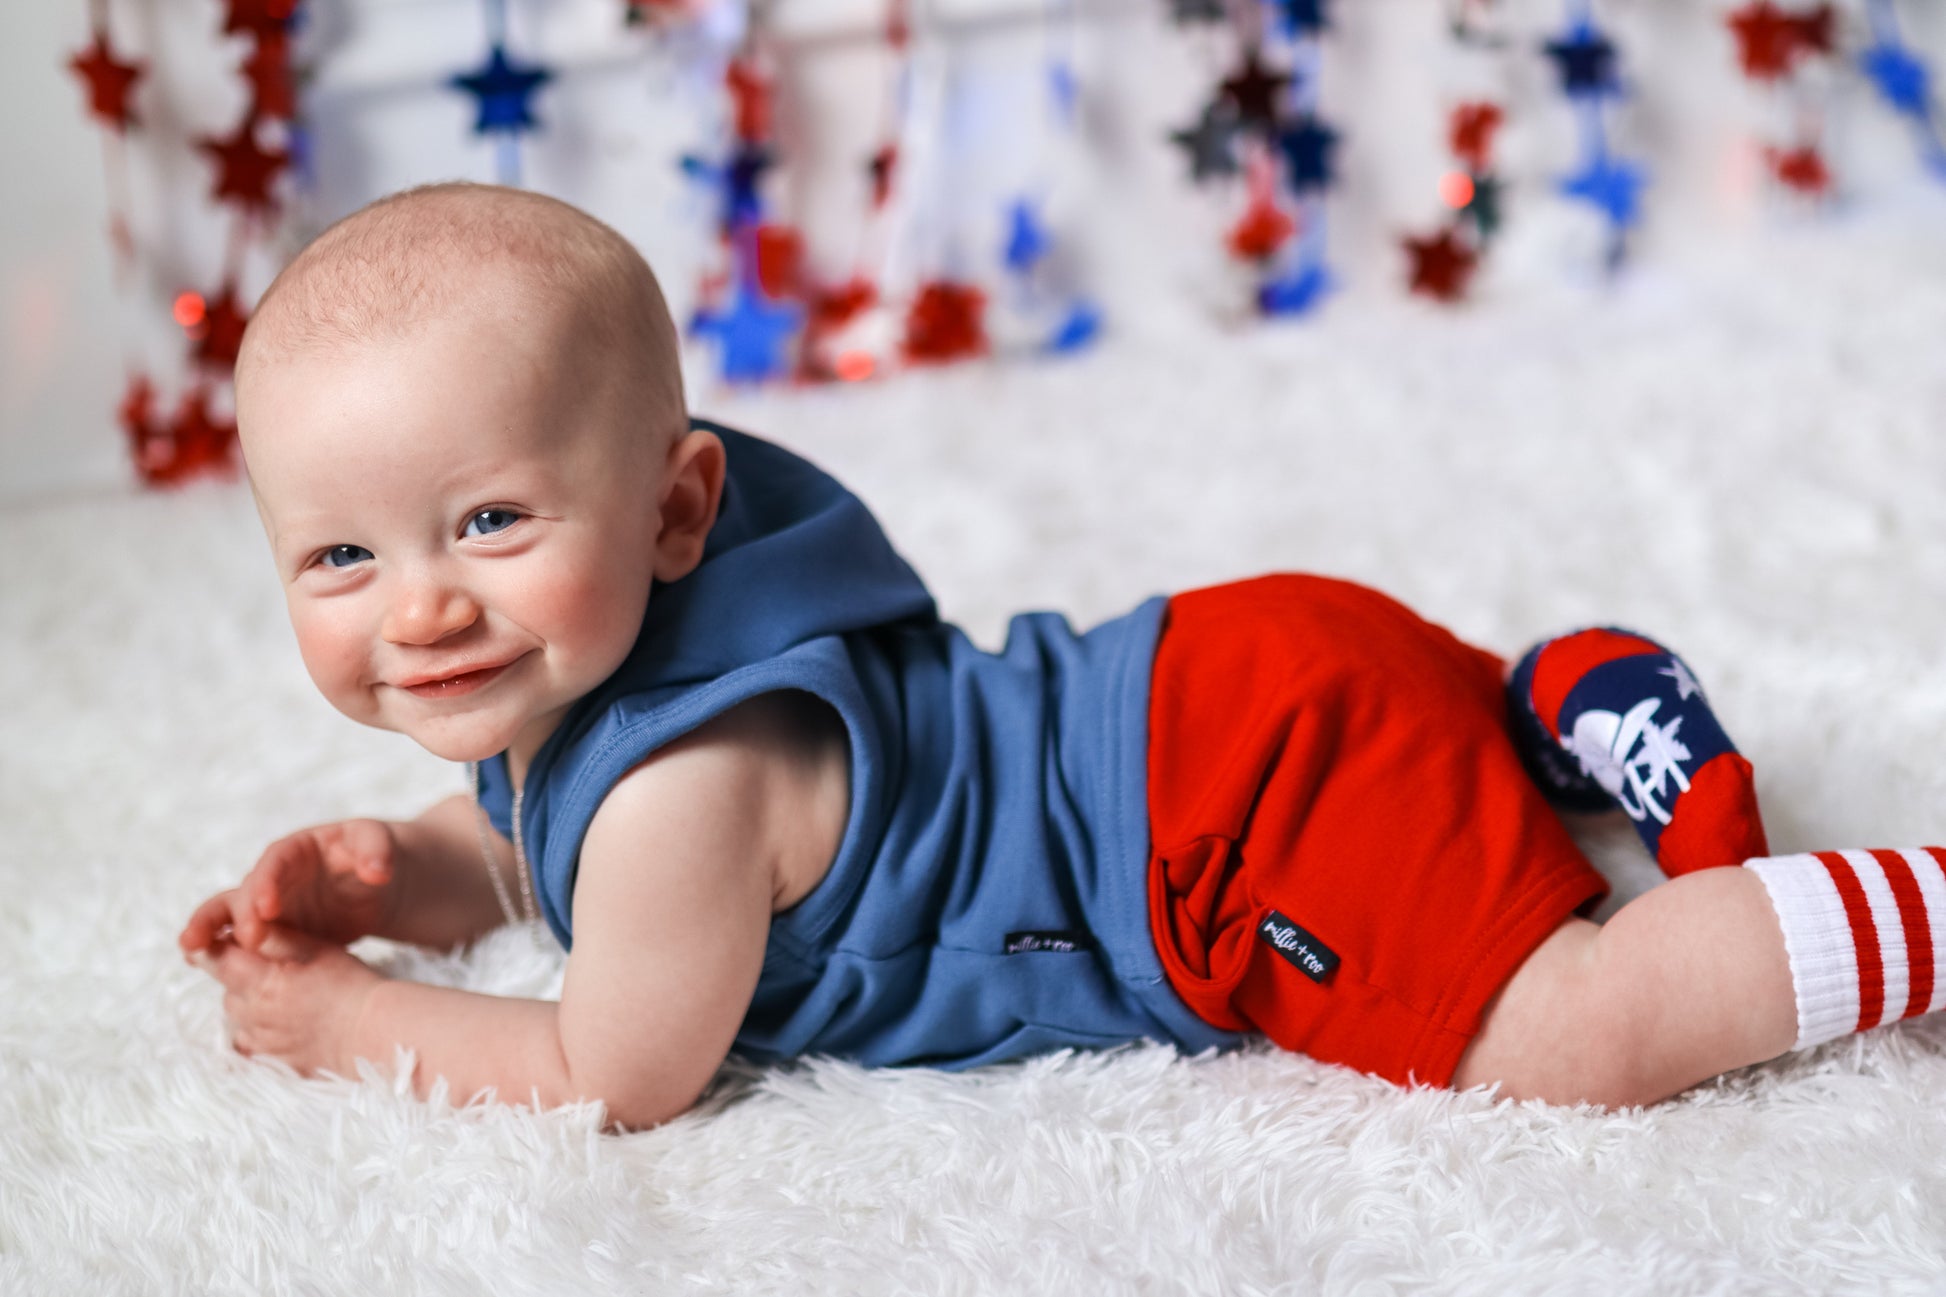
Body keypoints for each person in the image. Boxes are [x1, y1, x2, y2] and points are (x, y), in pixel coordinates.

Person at [180, 183, 1944, 1132]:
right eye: (339, 554)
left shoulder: (681, 795)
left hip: (1222, 825)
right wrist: (400, 873)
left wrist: (346, 1021)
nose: (417, 611)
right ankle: (1550, 700)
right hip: (1232, 662)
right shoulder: (584, 682)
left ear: (672, 505)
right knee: (1446, 754)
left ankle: (1903, 903)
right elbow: (527, 840)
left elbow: (611, 1068)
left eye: (491, 523)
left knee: (1565, 1033)